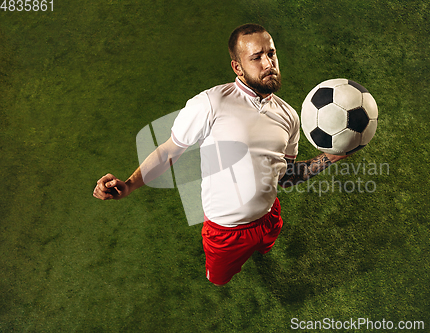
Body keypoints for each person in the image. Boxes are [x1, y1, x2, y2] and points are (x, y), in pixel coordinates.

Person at [93, 24, 349, 286]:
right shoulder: (210, 104)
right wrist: (129, 184)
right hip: (225, 232)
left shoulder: (289, 116)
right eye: (256, 57)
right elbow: (169, 151)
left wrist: (329, 158)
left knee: (266, 245)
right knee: (219, 279)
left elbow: (286, 176)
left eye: (271, 53)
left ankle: (262, 246)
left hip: (269, 217)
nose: (268, 63)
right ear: (237, 67)